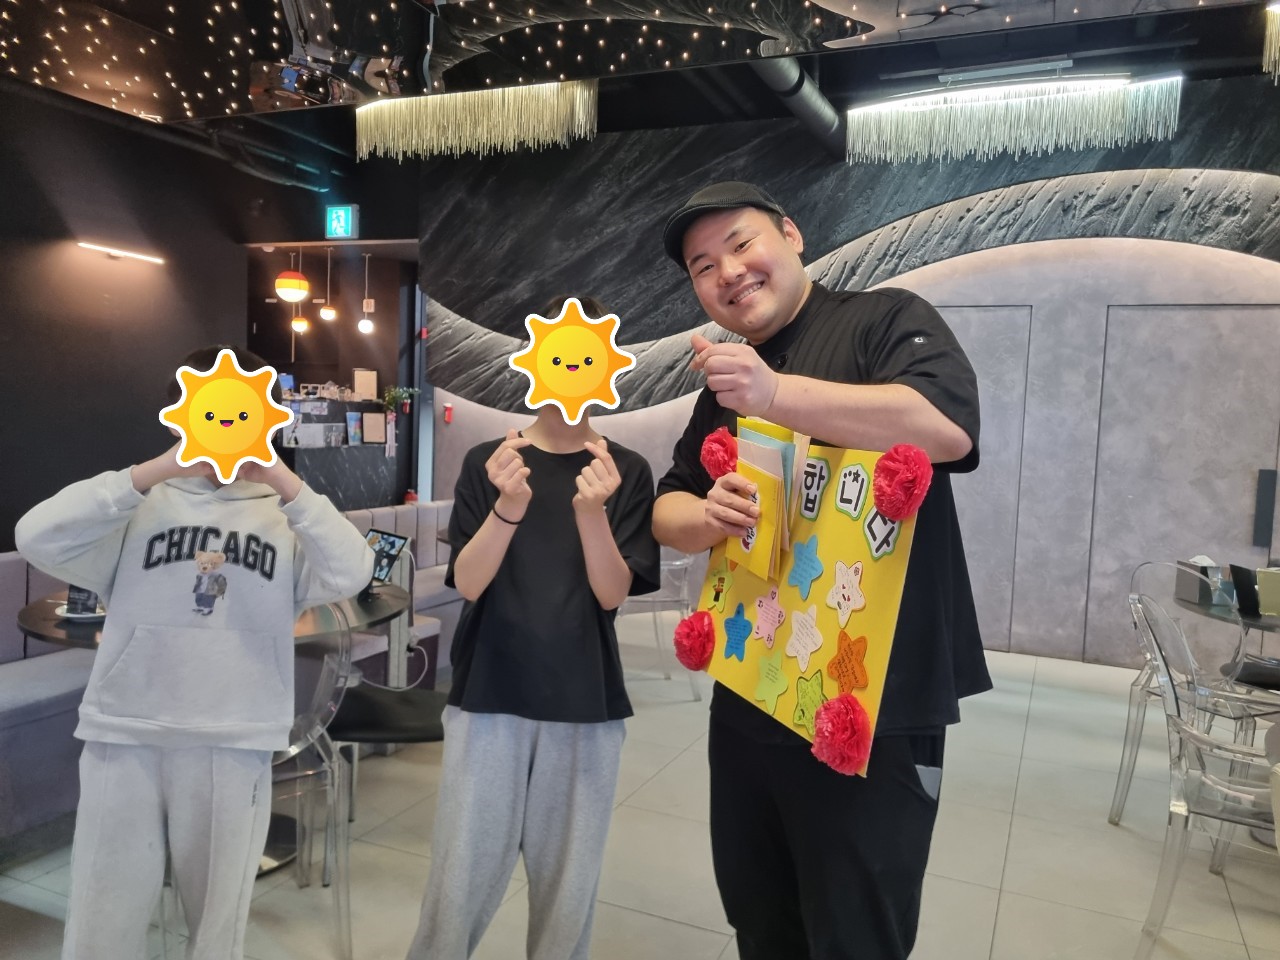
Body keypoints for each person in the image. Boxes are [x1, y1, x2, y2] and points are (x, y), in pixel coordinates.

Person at [652, 182, 988, 960]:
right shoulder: (726, 381)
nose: (728, 272)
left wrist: (774, 394)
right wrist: (708, 516)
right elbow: (668, 505)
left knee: (856, 931)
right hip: (752, 687)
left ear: (792, 234)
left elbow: (946, 428)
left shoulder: (883, 319)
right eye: (703, 266)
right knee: (761, 918)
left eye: (741, 243)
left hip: (872, 704)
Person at [14, 344, 374, 960]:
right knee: (102, 918)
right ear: (182, 410)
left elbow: (352, 572)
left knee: (215, 928)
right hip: (125, 730)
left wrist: (282, 480)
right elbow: (35, 535)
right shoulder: (138, 505)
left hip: (234, 737)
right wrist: (158, 468)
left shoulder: (286, 518)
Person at [405, 296, 660, 960]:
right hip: (488, 691)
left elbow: (612, 594)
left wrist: (591, 513)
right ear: (534, 361)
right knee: (459, 879)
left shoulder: (625, 472)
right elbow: (468, 583)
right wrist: (509, 505)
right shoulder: (491, 463)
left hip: (585, 700)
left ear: (608, 365)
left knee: (568, 890)